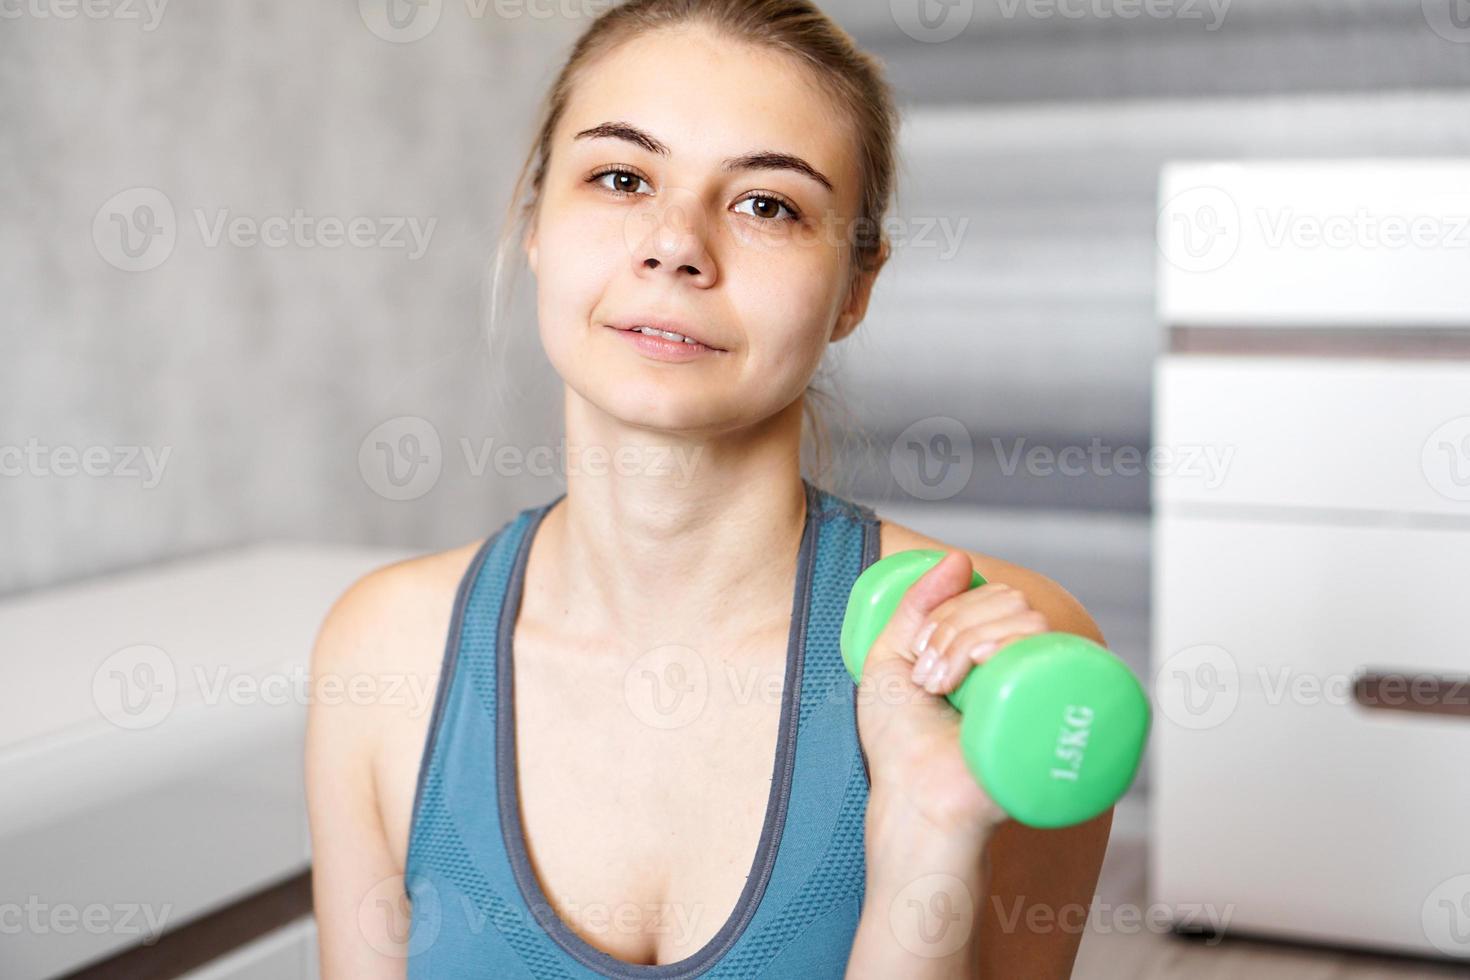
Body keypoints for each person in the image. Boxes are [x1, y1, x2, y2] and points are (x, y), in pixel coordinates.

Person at [306, 1, 1111, 975]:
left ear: (856, 285)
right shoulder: (383, 649)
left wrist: (926, 838)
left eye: (767, 203)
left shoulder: (1009, 666)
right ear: (534, 223)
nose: (676, 242)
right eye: (619, 177)